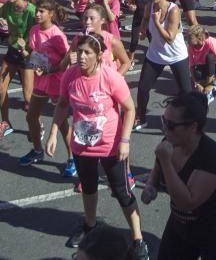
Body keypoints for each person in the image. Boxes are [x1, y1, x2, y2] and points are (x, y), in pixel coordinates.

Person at [44, 35, 148, 259]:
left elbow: (130, 108)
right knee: (88, 188)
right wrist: (53, 133)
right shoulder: (70, 75)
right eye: (79, 51)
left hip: (111, 145)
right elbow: (62, 104)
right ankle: (90, 226)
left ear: (99, 56)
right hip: (82, 144)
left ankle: (138, 239)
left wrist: (125, 141)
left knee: (122, 192)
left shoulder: (110, 78)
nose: (81, 56)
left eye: (87, 53)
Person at [140, 92, 216, 259]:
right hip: (182, 225)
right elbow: (157, 170)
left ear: (193, 127)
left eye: (171, 125)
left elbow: (187, 201)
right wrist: (151, 185)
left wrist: (166, 161)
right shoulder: (170, 140)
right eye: (163, 121)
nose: (165, 128)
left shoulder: (210, 156)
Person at [18, 0, 70, 168]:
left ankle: (73, 159)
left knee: (61, 122)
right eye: (37, 10)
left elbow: (67, 61)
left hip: (56, 81)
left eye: (42, 11)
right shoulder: (34, 30)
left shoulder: (57, 36)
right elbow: (36, 54)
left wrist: (51, 70)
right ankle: (37, 150)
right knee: (31, 116)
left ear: (51, 14)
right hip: (41, 81)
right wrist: (26, 53)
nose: (37, 14)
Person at [135, 0, 191, 130]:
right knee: (142, 89)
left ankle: (187, 121)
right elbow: (145, 19)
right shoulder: (150, 6)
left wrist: (158, 22)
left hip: (176, 55)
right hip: (155, 54)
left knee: (186, 91)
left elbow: (170, 38)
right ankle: (141, 117)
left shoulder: (174, 10)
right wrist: (142, 29)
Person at [0, 0, 36, 141]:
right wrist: (0, 21)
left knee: (29, 97)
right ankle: (5, 122)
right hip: (13, 50)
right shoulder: (7, 7)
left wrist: (28, 48)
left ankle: (36, 125)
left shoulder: (31, 10)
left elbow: (38, 32)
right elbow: (0, 21)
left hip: (27, 53)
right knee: (0, 88)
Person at [186, 24, 216, 104]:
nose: (188, 41)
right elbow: (191, 66)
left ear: (199, 38)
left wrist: (213, 84)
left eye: (190, 39)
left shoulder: (212, 42)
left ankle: (209, 90)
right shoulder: (190, 46)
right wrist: (196, 83)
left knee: (210, 57)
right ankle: (204, 87)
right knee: (198, 77)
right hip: (202, 64)